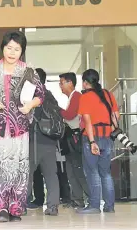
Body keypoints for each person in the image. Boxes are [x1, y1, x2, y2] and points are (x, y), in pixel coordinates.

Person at [0, 31, 45, 222]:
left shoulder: (28, 71)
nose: (12, 52)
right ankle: (2, 209)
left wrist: (30, 105)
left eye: (17, 49)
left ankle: (15, 208)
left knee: (19, 166)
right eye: (9, 48)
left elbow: (41, 95)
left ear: (22, 51)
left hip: (20, 127)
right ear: (3, 48)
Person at [77, 69, 119, 214]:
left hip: (92, 138)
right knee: (106, 173)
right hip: (107, 138)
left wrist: (92, 142)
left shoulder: (86, 97)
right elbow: (116, 117)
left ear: (85, 82)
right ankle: (109, 206)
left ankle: (94, 205)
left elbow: (87, 122)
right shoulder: (108, 94)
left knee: (92, 172)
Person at [27, 68, 60, 216]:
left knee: (27, 173)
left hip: (34, 141)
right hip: (50, 142)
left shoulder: (33, 95)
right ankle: (53, 206)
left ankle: (23, 203)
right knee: (51, 175)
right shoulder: (51, 96)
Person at [59, 72, 90, 209]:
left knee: (77, 169)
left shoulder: (77, 96)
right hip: (71, 139)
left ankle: (91, 197)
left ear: (70, 83)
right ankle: (77, 199)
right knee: (71, 170)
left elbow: (70, 115)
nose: (60, 86)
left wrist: (55, 108)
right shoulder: (72, 97)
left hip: (75, 138)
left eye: (62, 82)